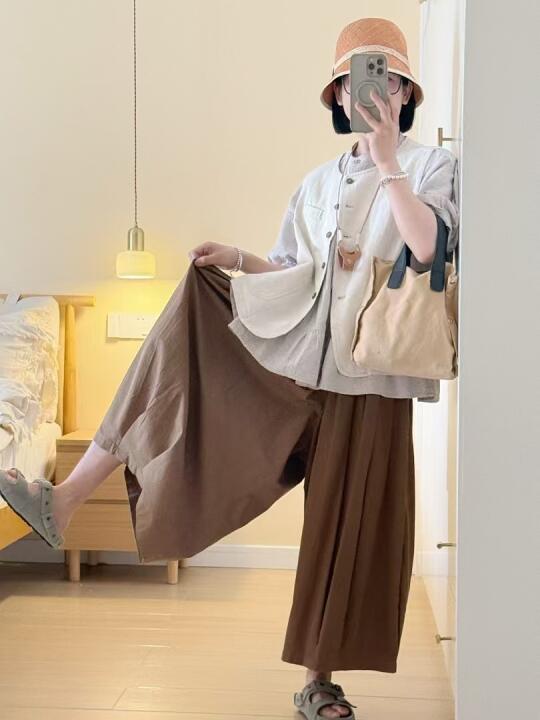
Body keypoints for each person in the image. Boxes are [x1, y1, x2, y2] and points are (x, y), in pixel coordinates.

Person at [0, 17, 459, 720]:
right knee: (182, 329)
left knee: (343, 527)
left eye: (387, 79)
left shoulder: (430, 168)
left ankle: (318, 681)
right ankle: (63, 499)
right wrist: (238, 260)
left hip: (372, 377)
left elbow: (428, 251)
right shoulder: (317, 183)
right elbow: (295, 271)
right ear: (339, 96)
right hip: (299, 362)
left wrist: (390, 161)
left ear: (404, 93)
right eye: (355, 81)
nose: (371, 93)